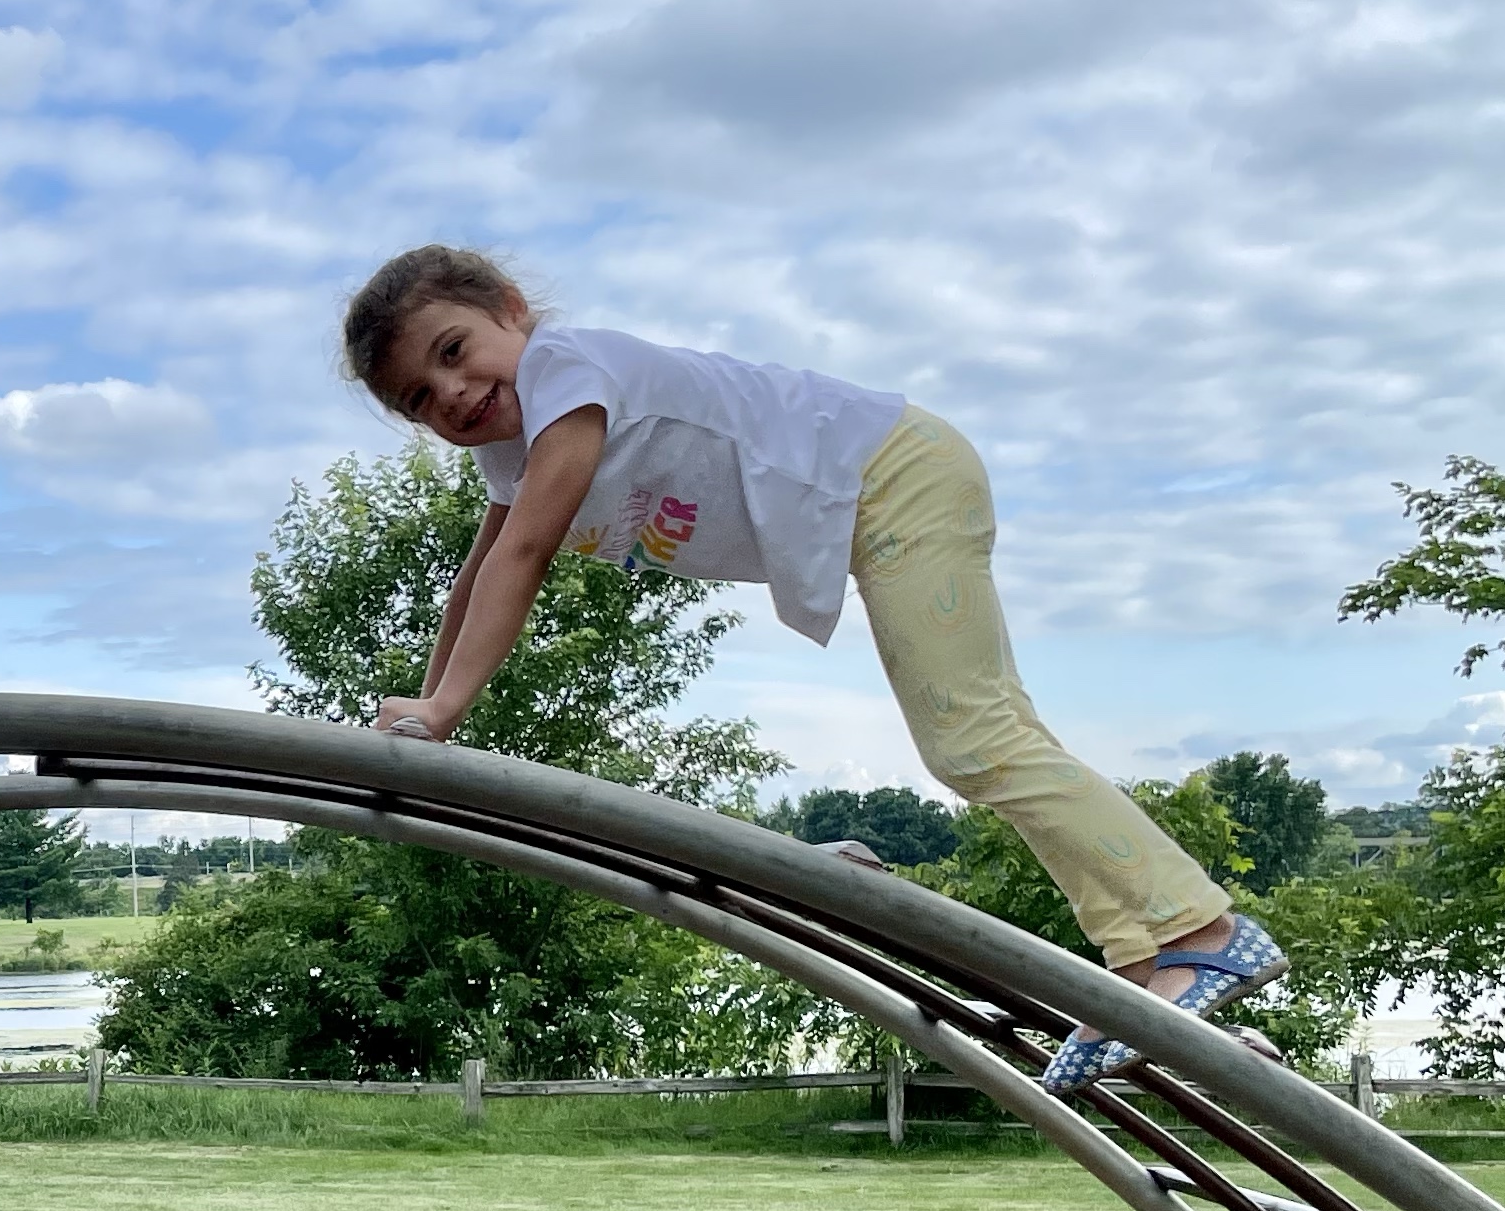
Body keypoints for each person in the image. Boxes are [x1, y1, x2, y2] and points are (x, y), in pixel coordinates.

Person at [340, 243, 1280, 1091]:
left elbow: (524, 556)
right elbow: (476, 576)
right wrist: (427, 701)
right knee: (987, 735)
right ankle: (1135, 964)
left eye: (454, 351)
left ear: (510, 308)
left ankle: (1199, 929)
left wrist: (445, 708)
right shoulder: (510, 453)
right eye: (418, 399)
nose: (450, 394)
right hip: (880, 484)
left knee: (972, 740)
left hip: (895, 473)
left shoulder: (565, 369)